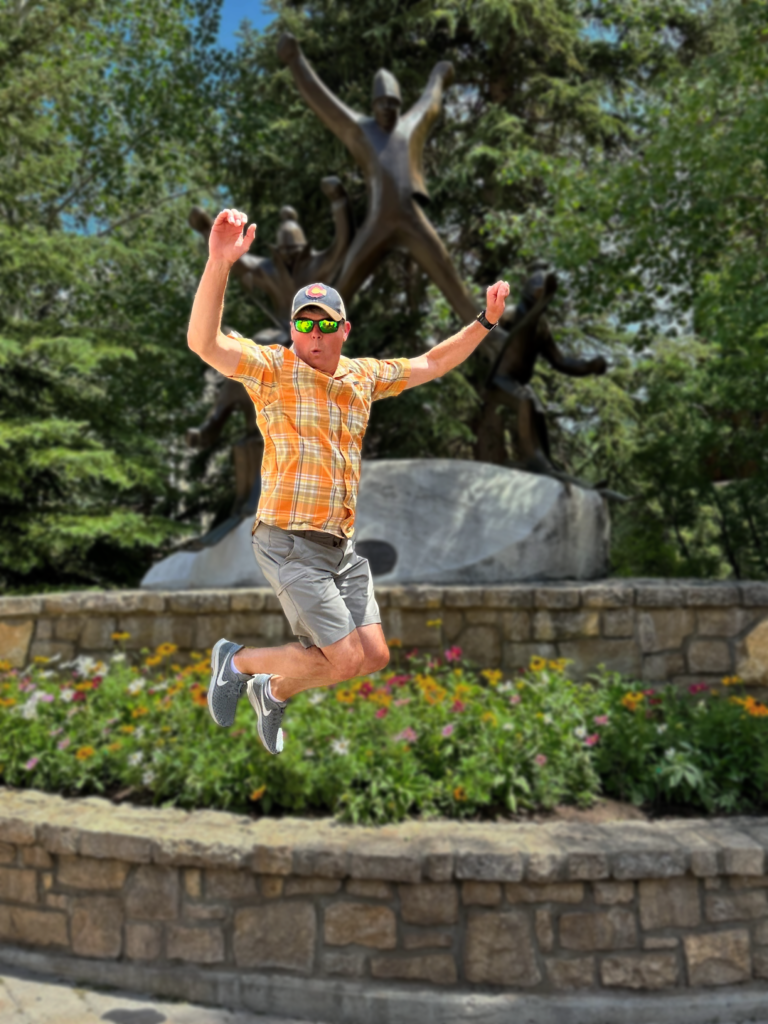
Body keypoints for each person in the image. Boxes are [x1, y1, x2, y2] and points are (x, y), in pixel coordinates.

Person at [187, 207, 509, 755]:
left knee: (374, 656)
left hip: (340, 549)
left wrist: (485, 322)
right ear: (293, 329)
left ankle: (271, 690)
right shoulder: (273, 370)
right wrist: (219, 262)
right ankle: (236, 662)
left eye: (324, 324)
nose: (313, 334)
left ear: (343, 329)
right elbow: (205, 343)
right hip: (289, 541)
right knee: (344, 658)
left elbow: (432, 363)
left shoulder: (362, 377)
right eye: (304, 324)